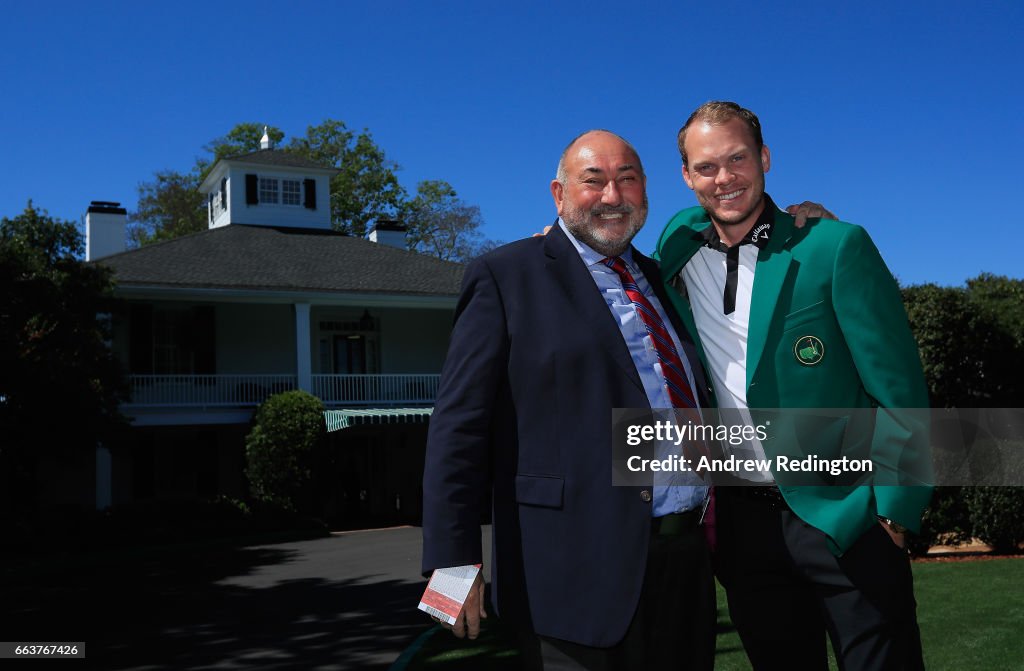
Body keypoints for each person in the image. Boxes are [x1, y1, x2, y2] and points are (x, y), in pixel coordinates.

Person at [422, 129, 832, 670]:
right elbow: (459, 428)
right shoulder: (506, 277)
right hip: (570, 574)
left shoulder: (664, 278)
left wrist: (794, 224)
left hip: (684, 566)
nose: (613, 196)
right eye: (593, 181)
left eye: (628, 179)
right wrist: (452, 566)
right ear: (558, 194)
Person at [653, 101, 932, 670]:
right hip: (745, 529)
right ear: (686, 177)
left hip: (849, 516)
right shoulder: (676, 247)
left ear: (765, 158)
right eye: (706, 167)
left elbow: (898, 388)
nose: (723, 177)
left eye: (738, 158)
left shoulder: (834, 245)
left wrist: (894, 513)